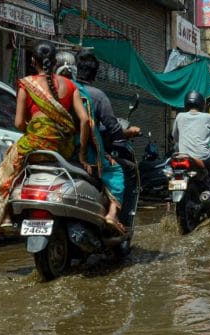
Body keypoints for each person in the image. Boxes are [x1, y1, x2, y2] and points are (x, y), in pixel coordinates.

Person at [0, 40, 91, 235]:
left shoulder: (26, 84)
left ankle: (5, 216)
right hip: (62, 148)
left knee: (6, 171)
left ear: (33, 61)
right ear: (54, 61)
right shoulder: (70, 85)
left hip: (34, 147)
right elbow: (84, 120)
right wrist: (82, 155)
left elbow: (18, 124)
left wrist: (35, 129)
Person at [56, 50, 127, 232]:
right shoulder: (89, 94)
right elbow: (98, 124)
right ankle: (112, 214)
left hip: (55, 147)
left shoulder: (53, 90)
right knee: (116, 171)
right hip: (83, 152)